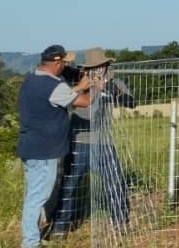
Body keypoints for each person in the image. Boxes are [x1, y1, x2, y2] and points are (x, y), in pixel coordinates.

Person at [49, 47, 136, 236]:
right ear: (86, 69)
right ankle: (60, 227)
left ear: (107, 67)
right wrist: (84, 81)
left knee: (114, 182)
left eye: (101, 66)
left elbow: (131, 102)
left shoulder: (114, 84)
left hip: (104, 142)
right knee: (69, 185)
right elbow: (60, 73)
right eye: (93, 67)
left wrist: (109, 89)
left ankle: (120, 221)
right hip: (79, 141)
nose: (98, 71)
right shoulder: (75, 81)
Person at [16, 44, 91, 248]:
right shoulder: (54, 86)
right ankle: (30, 243)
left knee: (34, 192)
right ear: (57, 63)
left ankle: (32, 235)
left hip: (30, 147)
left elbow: (57, 98)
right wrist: (93, 85)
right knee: (38, 195)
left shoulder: (32, 79)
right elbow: (84, 102)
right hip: (44, 151)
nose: (67, 66)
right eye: (65, 62)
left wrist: (76, 87)